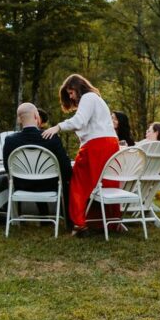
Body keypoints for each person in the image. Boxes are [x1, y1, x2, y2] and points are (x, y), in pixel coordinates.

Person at [41, 74, 120, 235]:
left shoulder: (88, 98)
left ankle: (79, 224)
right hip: (111, 143)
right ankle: (107, 222)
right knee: (105, 182)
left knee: (78, 182)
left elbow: (80, 121)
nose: (71, 97)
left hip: (96, 144)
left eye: (71, 93)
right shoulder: (97, 99)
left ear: (78, 88)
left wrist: (58, 127)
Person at [3, 102, 73, 214]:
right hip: (49, 184)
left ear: (19, 120)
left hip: (22, 185)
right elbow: (65, 167)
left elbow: (7, 168)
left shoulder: (10, 140)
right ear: (37, 116)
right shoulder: (51, 137)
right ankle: (66, 216)